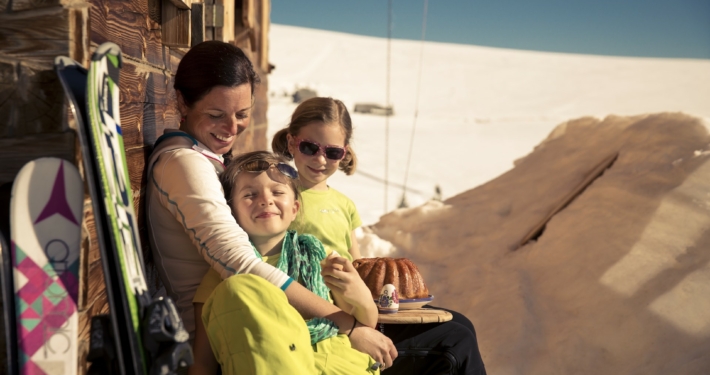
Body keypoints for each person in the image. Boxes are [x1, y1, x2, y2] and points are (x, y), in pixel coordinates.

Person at [145, 41, 398, 370]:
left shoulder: (207, 156)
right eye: (216, 115)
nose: (232, 128)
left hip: (270, 328)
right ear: (182, 100)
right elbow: (240, 265)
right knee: (448, 346)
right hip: (233, 336)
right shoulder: (185, 163)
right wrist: (347, 325)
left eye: (242, 114)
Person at [272, 97, 487, 374]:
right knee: (457, 341)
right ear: (292, 143)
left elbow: (357, 265)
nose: (321, 159)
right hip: (328, 319)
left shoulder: (344, 204)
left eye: (333, 152)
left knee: (462, 323)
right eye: (310, 147)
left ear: (344, 153)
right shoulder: (285, 198)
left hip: (358, 309)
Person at [190, 151, 384, 374]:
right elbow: (203, 361)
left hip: (342, 366)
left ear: (294, 209)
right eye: (250, 194)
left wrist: (362, 297)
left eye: (277, 192)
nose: (266, 200)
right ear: (231, 212)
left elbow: (364, 327)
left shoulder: (322, 258)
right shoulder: (222, 274)